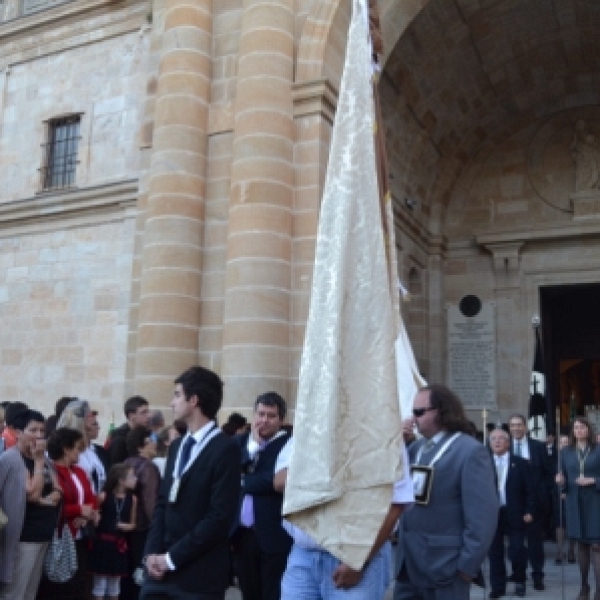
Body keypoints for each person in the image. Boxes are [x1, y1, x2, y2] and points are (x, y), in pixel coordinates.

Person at [140, 366, 241, 600]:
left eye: (177, 395)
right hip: (159, 575)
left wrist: (172, 558)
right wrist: (151, 555)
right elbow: (162, 504)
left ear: (194, 400)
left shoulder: (225, 449)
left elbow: (219, 517)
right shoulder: (176, 446)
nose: (171, 403)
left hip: (199, 577)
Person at [394, 384, 498, 600]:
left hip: (445, 567)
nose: (413, 419)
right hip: (408, 567)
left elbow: (482, 517)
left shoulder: (470, 451)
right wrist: (397, 448)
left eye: (419, 412)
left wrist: (466, 567)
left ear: (441, 411)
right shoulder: (414, 448)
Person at [277, 438, 414, 600]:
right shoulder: (309, 426)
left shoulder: (383, 431)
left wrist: (359, 561)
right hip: (304, 554)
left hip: (355, 558)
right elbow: (279, 481)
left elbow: (396, 503)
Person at [230, 393, 292, 600]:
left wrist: (243, 482)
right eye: (261, 414)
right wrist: (253, 448)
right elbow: (227, 474)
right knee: (249, 593)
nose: (264, 420)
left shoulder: (288, 445)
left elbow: (276, 482)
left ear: (281, 420)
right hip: (241, 535)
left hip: (274, 535)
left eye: (271, 415)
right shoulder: (239, 442)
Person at [0, 409, 61, 600]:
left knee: (30, 592)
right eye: (33, 430)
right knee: (15, 592)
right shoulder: (12, 459)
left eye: (42, 430)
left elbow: (59, 490)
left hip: (42, 535)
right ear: (18, 432)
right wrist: (39, 462)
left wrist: (46, 499)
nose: (39, 435)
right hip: (22, 537)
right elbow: (33, 494)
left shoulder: (45, 460)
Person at [44, 427, 99, 600]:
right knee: (62, 586)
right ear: (66, 449)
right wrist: (78, 510)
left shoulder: (80, 471)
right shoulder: (52, 472)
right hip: (62, 536)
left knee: (80, 582)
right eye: (76, 448)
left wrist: (86, 514)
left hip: (82, 535)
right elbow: (52, 505)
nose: (79, 453)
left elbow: (92, 497)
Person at [508, 413, 554, 590]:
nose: (516, 428)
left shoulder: (538, 447)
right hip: (513, 503)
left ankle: (537, 575)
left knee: (535, 542)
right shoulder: (506, 446)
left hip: (535, 502)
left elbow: (549, 472)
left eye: (519, 425)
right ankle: (517, 572)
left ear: (525, 427)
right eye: (513, 425)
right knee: (515, 542)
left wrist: (544, 493)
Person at [556, 417, 600, 600]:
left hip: (595, 500)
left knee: (597, 546)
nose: (579, 430)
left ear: (589, 430)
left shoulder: (598, 450)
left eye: (582, 427)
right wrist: (561, 483)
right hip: (575, 501)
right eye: (576, 427)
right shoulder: (565, 452)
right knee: (582, 546)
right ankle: (584, 587)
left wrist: (594, 480)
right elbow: (562, 478)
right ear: (572, 431)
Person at [488, 428, 534, 598]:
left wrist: (529, 510)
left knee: (517, 550)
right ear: (489, 443)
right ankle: (497, 587)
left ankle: (520, 579)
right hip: (492, 514)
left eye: (501, 439)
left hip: (515, 512)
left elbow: (530, 490)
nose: (497, 441)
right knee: (495, 553)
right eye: (493, 439)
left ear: (508, 443)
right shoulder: (483, 462)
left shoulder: (520, 463)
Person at [89, 463, 138, 600]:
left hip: (119, 545)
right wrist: (95, 518)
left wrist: (126, 526)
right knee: (100, 583)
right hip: (103, 544)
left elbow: (133, 524)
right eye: (132, 476)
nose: (136, 479)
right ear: (121, 480)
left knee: (115, 585)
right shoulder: (104, 496)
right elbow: (95, 515)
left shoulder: (132, 499)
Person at [123, 426, 161, 600]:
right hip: (142, 529)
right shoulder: (148, 467)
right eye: (150, 439)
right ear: (141, 446)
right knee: (140, 576)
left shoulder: (126, 463)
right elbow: (150, 502)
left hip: (125, 528)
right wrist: (158, 529)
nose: (155, 442)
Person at [106, 396, 150, 466]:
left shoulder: (145, 434)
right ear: (131, 416)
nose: (148, 416)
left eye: (148, 412)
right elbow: (115, 469)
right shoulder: (119, 439)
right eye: (143, 412)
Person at [554, 433, 576, 564]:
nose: (563, 445)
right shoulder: (552, 458)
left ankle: (572, 550)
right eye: (561, 443)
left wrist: (567, 489)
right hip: (556, 494)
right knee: (559, 523)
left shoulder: (573, 457)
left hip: (571, 493)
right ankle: (559, 550)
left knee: (572, 522)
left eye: (566, 442)